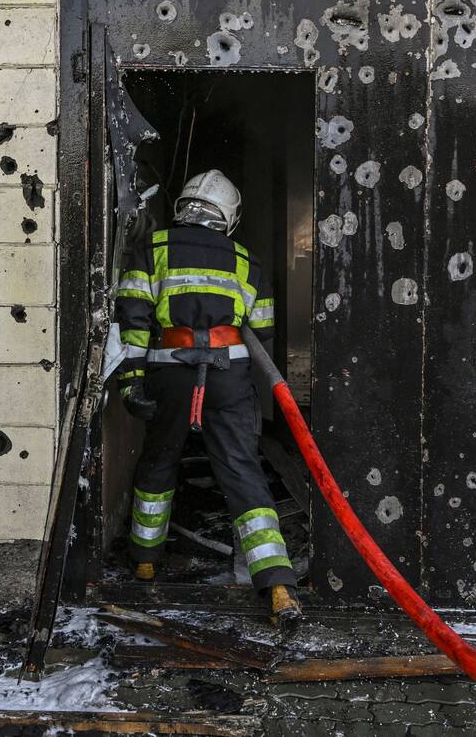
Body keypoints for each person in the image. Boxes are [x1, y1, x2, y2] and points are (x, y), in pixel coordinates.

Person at [114, 169, 302, 629]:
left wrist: (130, 380)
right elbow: (264, 329)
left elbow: (133, 320)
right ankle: (276, 583)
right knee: (241, 468)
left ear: (182, 207)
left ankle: (144, 561)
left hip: (170, 370)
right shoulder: (247, 261)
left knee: (160, 460)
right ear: (229, 217)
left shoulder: (151, 248)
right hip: (228, 374)